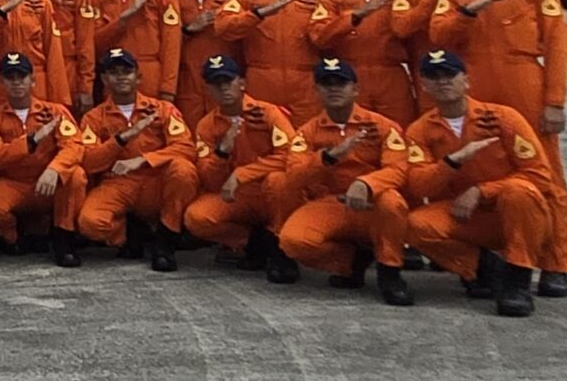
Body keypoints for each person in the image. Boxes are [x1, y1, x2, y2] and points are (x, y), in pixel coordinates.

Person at [428, 0, 567, 294]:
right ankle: (486, 261)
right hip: (472, 89)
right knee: (472, 173)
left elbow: (558, 47)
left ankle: (555, 262)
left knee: (544, 174)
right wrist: (467, 14)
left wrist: (554, 101)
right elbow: (438, 37)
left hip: (523, 84)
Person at [400, 49, 551, 317]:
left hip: (512, 213)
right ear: (423, 85)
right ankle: (486, 269)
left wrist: (482, 191)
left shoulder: (503, 118)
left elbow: (539, 175)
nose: (443, 81)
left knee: (520, 191)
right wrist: (453, 161)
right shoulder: (419, 131)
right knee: (415, 226)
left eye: (449, 74)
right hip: (464, 215)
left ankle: (518, 281)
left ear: (466, 80)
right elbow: (419, 186)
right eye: (434, 76)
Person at [271, 57, 415, 305]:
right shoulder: (307, 132)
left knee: (392, 202)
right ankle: (350, 262)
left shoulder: (381, 126)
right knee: (293, 241)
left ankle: (390, 271)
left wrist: (367, 184)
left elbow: (399, 168)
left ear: (356, 89)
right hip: (330, 203)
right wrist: (327, 158)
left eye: (341, 83)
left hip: (371, 203)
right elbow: (294, 177)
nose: (334, 88)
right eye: (326, 83)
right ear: (316, 91)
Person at [70, 49, 197, 270]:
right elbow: (88, 162)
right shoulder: (94, 117)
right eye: (113, 72)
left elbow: (186, 147)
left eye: (127, 71)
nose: (120, 77)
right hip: (117, 184)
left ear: (138, 77)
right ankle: (130, 233)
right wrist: (119, 140)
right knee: (90, 224)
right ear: (104, 79)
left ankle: (165, 240)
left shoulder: (162, 110)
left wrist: (144, 160)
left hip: (155, 181)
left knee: (183, 169)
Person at [179, 76, 300, 276]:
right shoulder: (206, 125)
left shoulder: (268, 113)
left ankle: (282, 248)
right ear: (208, 90)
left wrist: (242, 174)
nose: (223, 88)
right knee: (196, 218)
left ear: (242, 84)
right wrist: (222, 152)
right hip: (236, 195)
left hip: (268, 192)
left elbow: (290, 156)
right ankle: (256, 241)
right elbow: (210, 180)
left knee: (279, 181)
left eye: (228, 82)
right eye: (216, 84)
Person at [305, 0, 418, 123]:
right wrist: (355, 16)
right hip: (348, 74)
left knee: (400, 130)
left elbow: (411, 36)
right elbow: (319, 37)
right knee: (354, 132)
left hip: (390, 76)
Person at [0, 52, 81, 254]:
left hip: (48, 181)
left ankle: (63, 237)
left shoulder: (55, 112)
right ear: (1, 83)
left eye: (21, 77)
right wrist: (30, 141)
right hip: (14, 183)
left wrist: (54, 170)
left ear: (33, 80)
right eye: (10, 78)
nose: (16, 83)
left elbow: (74, 146)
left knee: (75, 176)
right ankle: (13, 236)